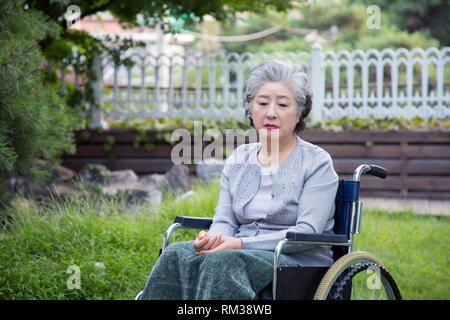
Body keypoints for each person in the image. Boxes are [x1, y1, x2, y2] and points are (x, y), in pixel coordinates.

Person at [139, 60, 339, 300]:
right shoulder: (239, 158)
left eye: (283, 104)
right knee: (176, 253)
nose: (271, 113)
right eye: (262, 103)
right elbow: (225, 221)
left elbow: (308, 231)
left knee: (223, 263)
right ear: (250, 109)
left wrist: (240, 245)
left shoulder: (317, 162)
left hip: (296, 262)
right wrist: (214, 239)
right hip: (237, 252)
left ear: (299, 113)